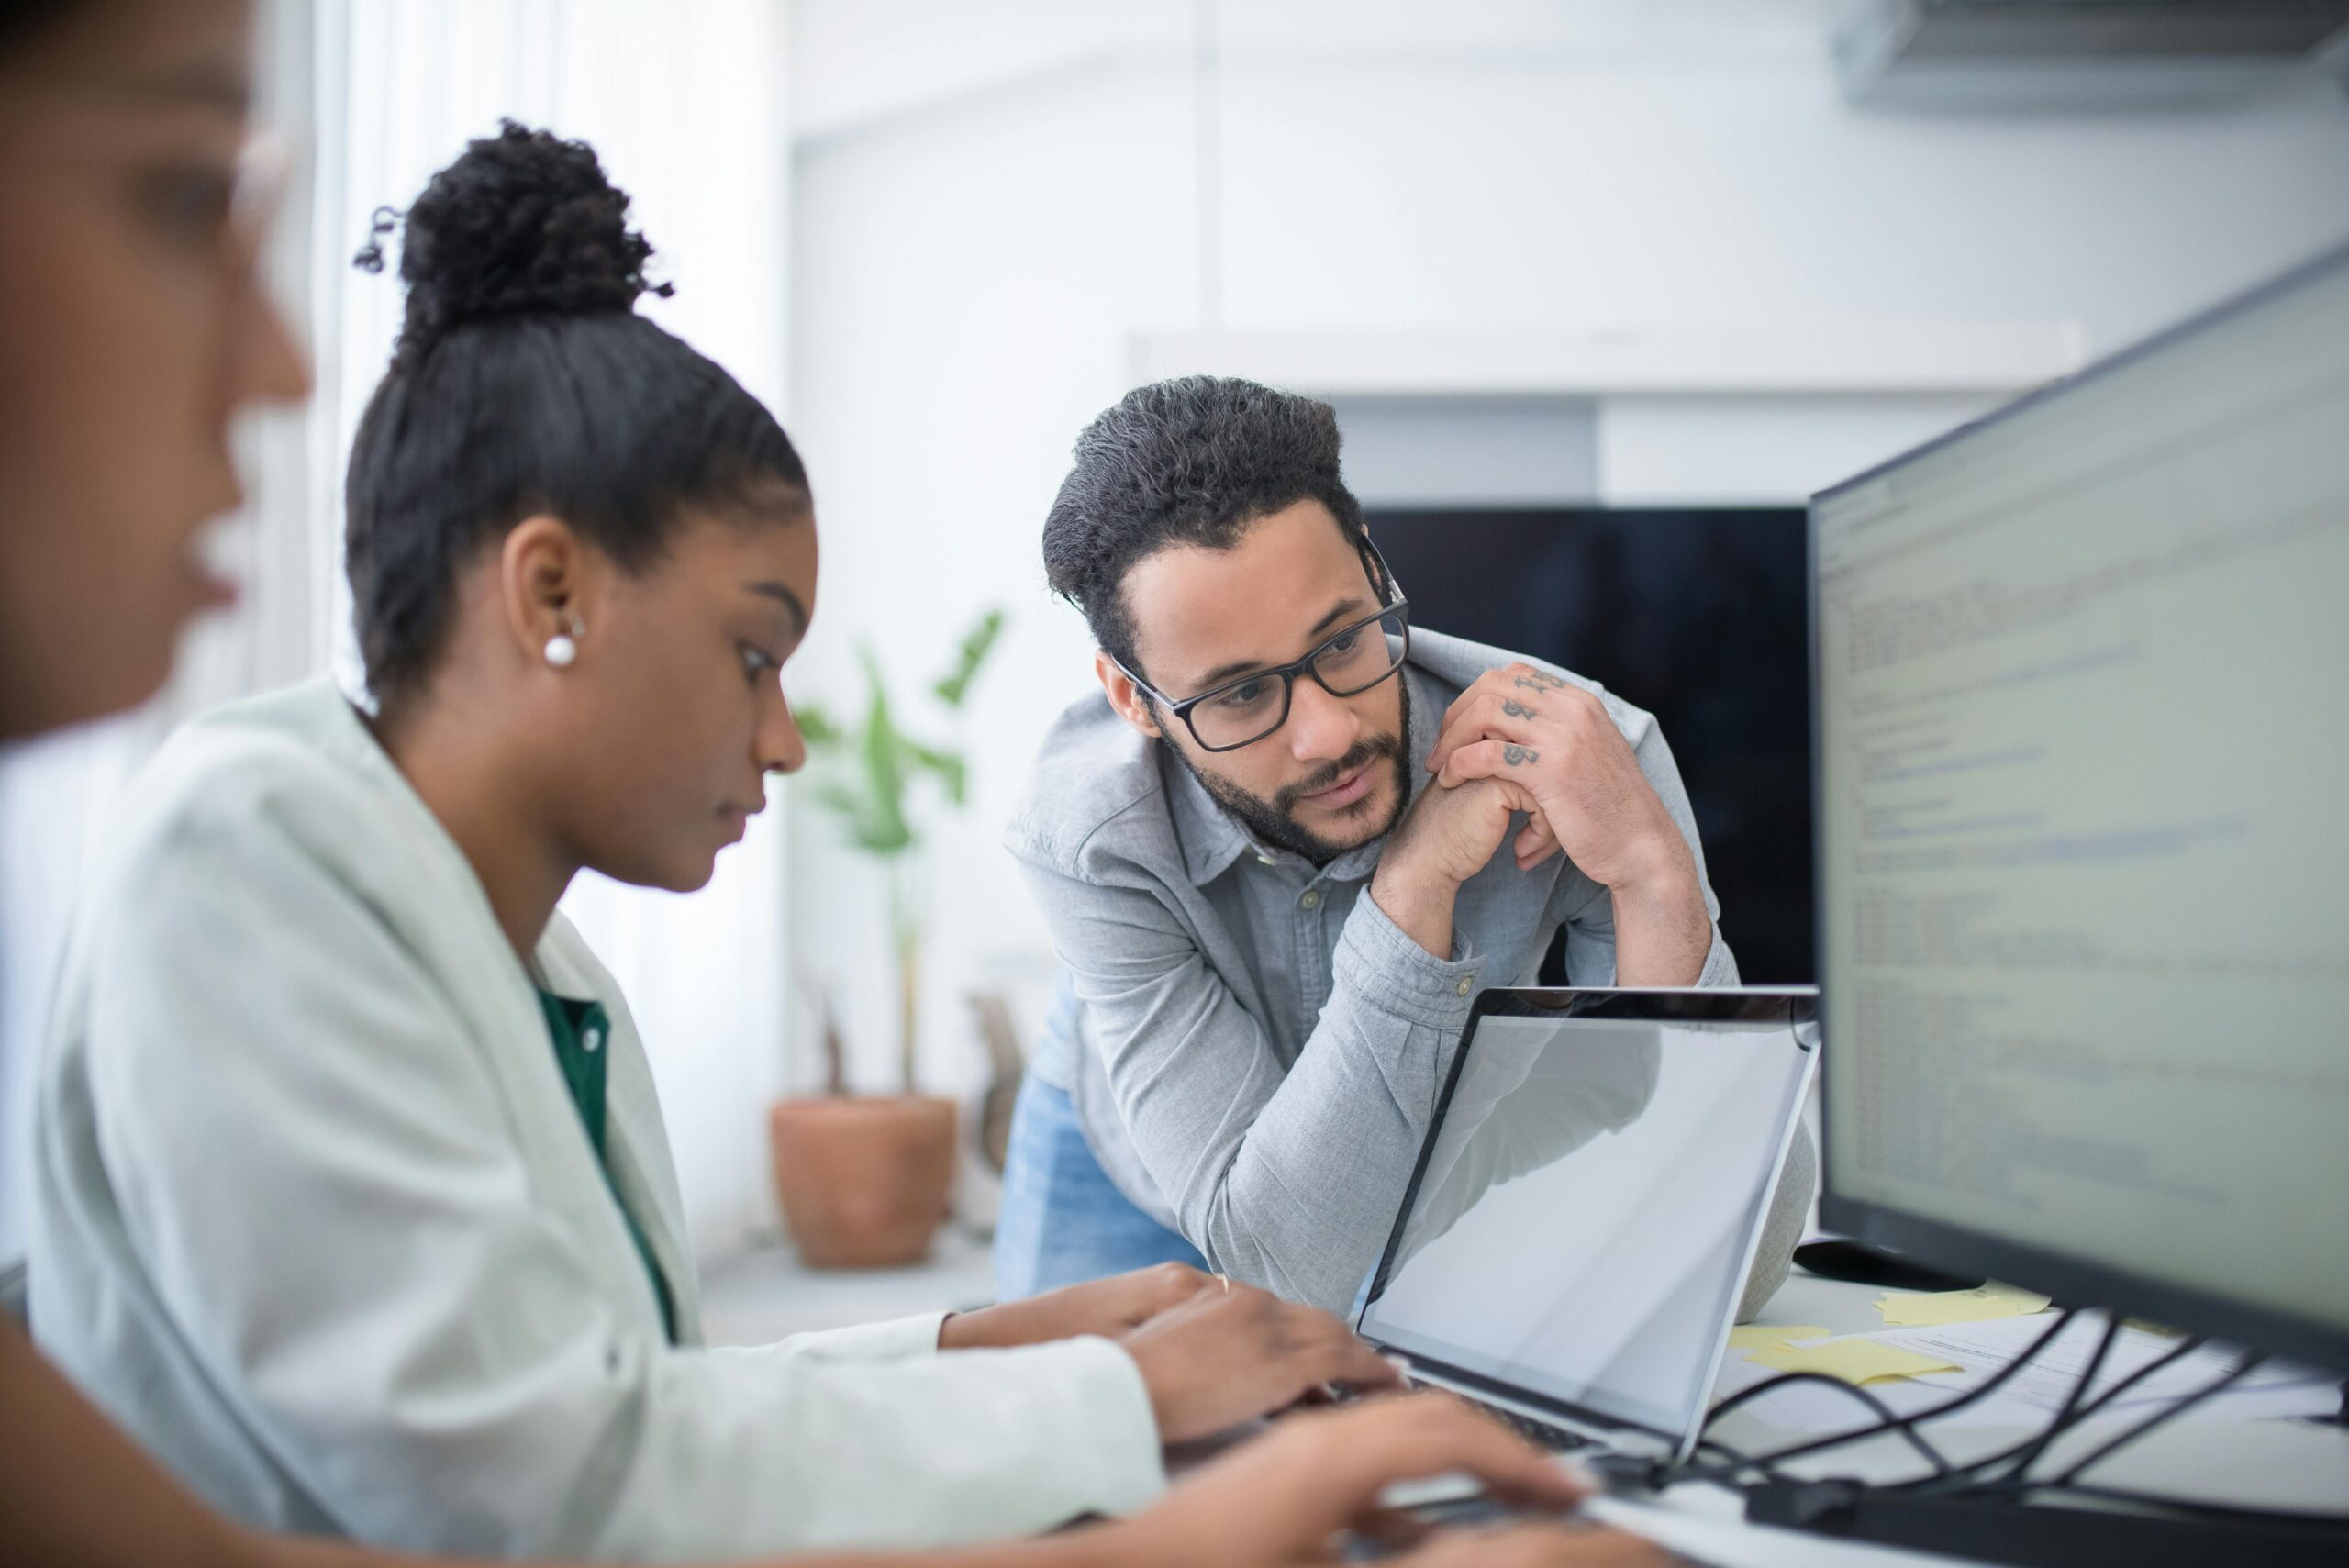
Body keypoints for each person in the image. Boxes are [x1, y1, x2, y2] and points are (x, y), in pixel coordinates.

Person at [0, 6, 1665, 1563]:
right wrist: (1189, 1460)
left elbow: (613, 1406)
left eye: (1338, 644)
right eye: (753, 650)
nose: (786, 737)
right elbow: (551, 1496)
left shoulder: (534, 962)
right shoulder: (256, 848)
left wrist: (999, 1338)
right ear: (554, 594)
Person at [995, 376, 1814, 1314]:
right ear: (1133, 697)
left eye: (1342, 638)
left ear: (1376, 570)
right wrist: (1413, 883)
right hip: (1140, 1173)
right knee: (1085, 1441)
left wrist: (1653, 871)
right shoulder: (1087, 839)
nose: (1329, 735)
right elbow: (1289, 1273)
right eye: (1239, 695)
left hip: (1441, 1155)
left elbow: (1734, 1272)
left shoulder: (1585, 757)